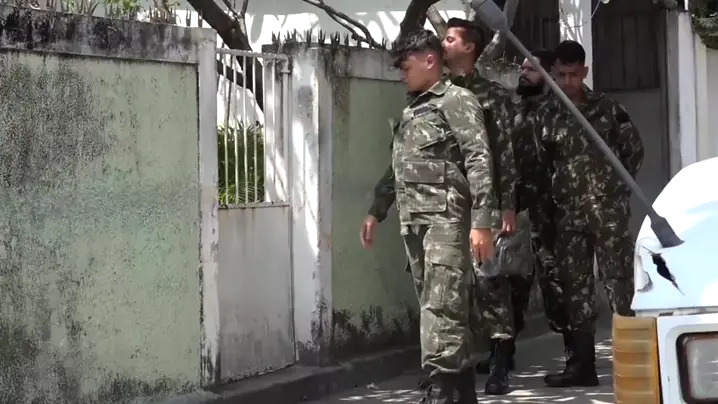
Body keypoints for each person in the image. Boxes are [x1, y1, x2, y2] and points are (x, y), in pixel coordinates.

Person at [359, 29, 497, 404]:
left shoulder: (457, 100)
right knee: (441, 307)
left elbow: (479, 159)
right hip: (416, 223)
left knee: (442, 308)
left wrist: (482, 222)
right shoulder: (413, 110)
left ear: (430, 60)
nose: (402, 75)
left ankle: (440, 391)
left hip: (446, 221)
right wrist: (376, 210)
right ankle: (460, 391)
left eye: (406, 67)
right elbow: (399, 166)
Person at [536, 40, 644, 388]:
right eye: (561, 75)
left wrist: (614, 191)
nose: (567, 82)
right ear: (554, 73)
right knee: (575, 289)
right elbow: (541, 164)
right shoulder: (546, 114)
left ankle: (637, 362)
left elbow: (633, 151)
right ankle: (582, 366)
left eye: (574, 74)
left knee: (620, 283)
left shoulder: (607, 109)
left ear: (584, 71)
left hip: (607, 212)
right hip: (568, 215)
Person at [441, 17, 518, 396]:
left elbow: (503, 152)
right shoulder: (436, 93)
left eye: (449, 39)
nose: (442, 44)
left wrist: (507, 206)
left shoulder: (491, 95)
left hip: (483, 202)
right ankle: (453, 365)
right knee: (451, 283)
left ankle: (501, 361)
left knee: (489, 281)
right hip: (446, 201)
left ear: (469, 47)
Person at [495, 48, 576, 373]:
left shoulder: (560, 109)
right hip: (515, 210)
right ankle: (503, 355)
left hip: (550, 212)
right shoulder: (512, 107)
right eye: (523, 68)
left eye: (531, 69)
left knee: (556, 283)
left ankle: (575, 356)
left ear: (547, 75)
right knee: (509, 284)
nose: (524, 73)